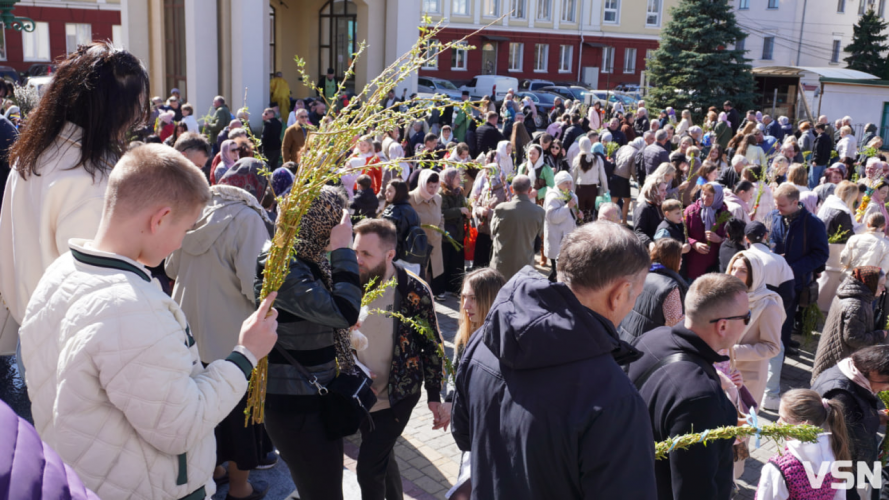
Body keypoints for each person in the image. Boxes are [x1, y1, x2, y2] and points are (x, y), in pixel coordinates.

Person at [20, 144, 278, 499]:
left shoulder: (59, 272)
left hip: (86, 475)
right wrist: (245, 354)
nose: (179, 243)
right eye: (185, 228)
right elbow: (182, 425)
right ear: (159, 219)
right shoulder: (133, 308)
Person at [452, 222, 657, 499]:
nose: (633, 303)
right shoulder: (615, 399)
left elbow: (465, 436)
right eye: (637, 293)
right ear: (619, 294)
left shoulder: (483, 337)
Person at [0, 42, 150, 358]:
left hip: (33, 335)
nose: (138, 117)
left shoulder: (36, 154)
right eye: (135, 105)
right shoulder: (89, 181)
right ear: (114, 107)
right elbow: (100, 293)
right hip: (73, 352)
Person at [165, 157, 276, 499]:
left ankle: (212, 469)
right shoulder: (248, 218)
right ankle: (240, 489)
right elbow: (254, 285)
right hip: (232, 338)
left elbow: (170, 265)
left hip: (187, 332)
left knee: (203, 411)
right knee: (239, 420)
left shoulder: (196, 208)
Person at [254, 187, 359, 500]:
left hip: (313, 397)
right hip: (296, 406)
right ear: (317, 224)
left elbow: (334, 312)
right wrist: (343, 250)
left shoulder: (304, 256)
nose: (341, 231)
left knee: (321, 489)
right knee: (323, 493)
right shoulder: (282, 266)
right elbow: (344, 311)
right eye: (336, 225)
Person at [629, 273, 747, 499]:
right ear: (722, 326)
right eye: (746, 317)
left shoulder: (652, 337)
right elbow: (694, 490)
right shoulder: (702, 398)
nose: (746, 323)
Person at [350, 219, 445, 500]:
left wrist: (435, 394)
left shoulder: (413, 290)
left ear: (390, 255)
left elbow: (433, 345)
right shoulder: (349, 282)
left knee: (368, 468)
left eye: (366, 254)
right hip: (359, 394)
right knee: (381, 455)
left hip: (397, 397)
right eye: (355, 251)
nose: (358, 259)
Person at [812, 346, 889, 500]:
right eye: (887, 383)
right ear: (874, 372)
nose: (887, 388)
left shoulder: (854, 375)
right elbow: (846, 441)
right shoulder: (840, 395)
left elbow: (856, 421)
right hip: (841, 473)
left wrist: (876, 416)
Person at [755, 389, 852, 499]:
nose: (777, 422)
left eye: (783, 419)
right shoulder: (836, 452)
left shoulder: (780, 467)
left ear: (803, 425)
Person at [769, 183, 829, 356]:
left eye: (782, 205)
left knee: (785, 321)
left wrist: (792, 268)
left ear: (795, 203)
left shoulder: (813, 223)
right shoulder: (774, 216)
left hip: (794, 282)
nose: (777, 208)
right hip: (772, 279)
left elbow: (821, 254)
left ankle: (780, 355)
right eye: (776, 204)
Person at [725, 251, 785, 408]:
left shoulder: (768, 305)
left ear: (755, 275)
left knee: (741, 426)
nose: (735, 274)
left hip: (748, 378)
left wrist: (733, 351)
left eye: (743, 271)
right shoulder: (726, 297)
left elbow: (772, 347)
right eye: (733, 268)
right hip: (722, 371)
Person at [812, 265, 887, 384]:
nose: (883, 289)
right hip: (839, 361)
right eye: (881, 285)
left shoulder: (852, 293)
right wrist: (880, 334)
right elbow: (854, 339)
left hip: (834, 355)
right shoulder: (856, 305)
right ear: (870, 284)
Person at [619, 238, 688, 342]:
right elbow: (674, 323)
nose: (682, 260)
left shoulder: (641, 275)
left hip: (627, 338)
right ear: (672, 258)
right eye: (680, 256)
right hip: (648, 346)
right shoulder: (670, 287)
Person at [490, 175, 545, 281]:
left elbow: (493, 231)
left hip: (501, 264)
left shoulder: (501, 208)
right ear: (530, 190)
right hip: (525, 266)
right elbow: (539, 235)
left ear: (511, 189)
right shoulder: (539, 212)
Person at [684, 182, 729, 280]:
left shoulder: (725, 214)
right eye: (703, 193)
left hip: (715, 266)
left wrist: (719, 240)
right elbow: (682, 233)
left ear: (717, 196)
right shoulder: (691, 211)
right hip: (694, 266)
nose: (705, 198)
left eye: (709, 196)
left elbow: (732, 240)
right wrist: (694, 243)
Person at [410, 170, 445, 293]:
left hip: (435, 241)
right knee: (419, 273)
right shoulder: (411, 198)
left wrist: (440, 231)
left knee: (432, 271)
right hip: (418, 243)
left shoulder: (438, 198)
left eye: (436, 186)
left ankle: (430, 296)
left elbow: (441, 217)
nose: (433, 190)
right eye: (430, 186)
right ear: (423, 183)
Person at [469, 163, 508, 269]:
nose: (486, 176)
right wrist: (480, 210)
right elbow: (477, 204)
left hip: (495, 233)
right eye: (486, 173)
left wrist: (490, 213)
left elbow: (507, 212)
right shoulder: (486, 188)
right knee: (479, 264)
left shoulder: (505, 191)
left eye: (488, 173)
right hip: (483, 231)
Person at [544, 171, 578, 282]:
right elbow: (553, 218)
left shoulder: (572, 195)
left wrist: (578, 213)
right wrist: (567, 207)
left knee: (564, 269)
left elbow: (573, 215)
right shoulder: (553, 197)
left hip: (569, 237)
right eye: (565, 183)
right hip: (557, 238)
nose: (569, 185)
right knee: (557, 271)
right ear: (558, 184)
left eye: (570, 182)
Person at [438, 168, 468, 296]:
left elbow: (463, 206)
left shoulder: (459, 191)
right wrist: (460, 210)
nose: (459, 180)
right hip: (447, 233)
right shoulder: (442, 193)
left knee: (457, 261)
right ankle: (443, 288)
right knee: (446, 259)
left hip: (459, 232)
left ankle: (456, 289)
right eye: (456, 178)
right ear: (449, 179)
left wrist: (467, 212)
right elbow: (442, 213)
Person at [381, 179, 422, 265]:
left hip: (393, 259)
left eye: (390, 191)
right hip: (410, 259)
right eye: (386, 190)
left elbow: (383, 236)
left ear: (399, 193)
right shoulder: (413, 211)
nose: (386, 193)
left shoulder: (392, 211)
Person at [571, 137, 609, 224]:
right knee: (589, 214)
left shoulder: (576, 159)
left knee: (579, 215)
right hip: (593, 190)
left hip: (580, 190)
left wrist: (572, 193)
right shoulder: (598, 159)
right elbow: (603, 176)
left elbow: (573, 178)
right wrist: (606, 190)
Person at [614, 137, 644, 223]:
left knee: (614, 200)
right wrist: (636, 179)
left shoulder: (623, 147)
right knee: (627, 200)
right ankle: (624, 221)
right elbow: (633, 169)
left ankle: (611, 220)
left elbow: (617, 156)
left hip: (614, 174)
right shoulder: (636, 153)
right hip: (624, 177)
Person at [634, 178, 667, 250]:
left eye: (665, 190)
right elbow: (639, 231)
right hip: (649, 250)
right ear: (653, 191)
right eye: (662, 190)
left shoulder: (660, 205)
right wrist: (649, 242)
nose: (665, 193)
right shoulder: (644, 208)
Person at [812, 123, 833, 188]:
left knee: (814, 178)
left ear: (820, 129)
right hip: (824, 161)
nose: (815, 130)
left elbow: (817, 150)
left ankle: (813, 190)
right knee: (822, 178)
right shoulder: (828, 137)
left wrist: (815, 160)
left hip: (818, 161)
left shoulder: (819, 138)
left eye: (816, 129)